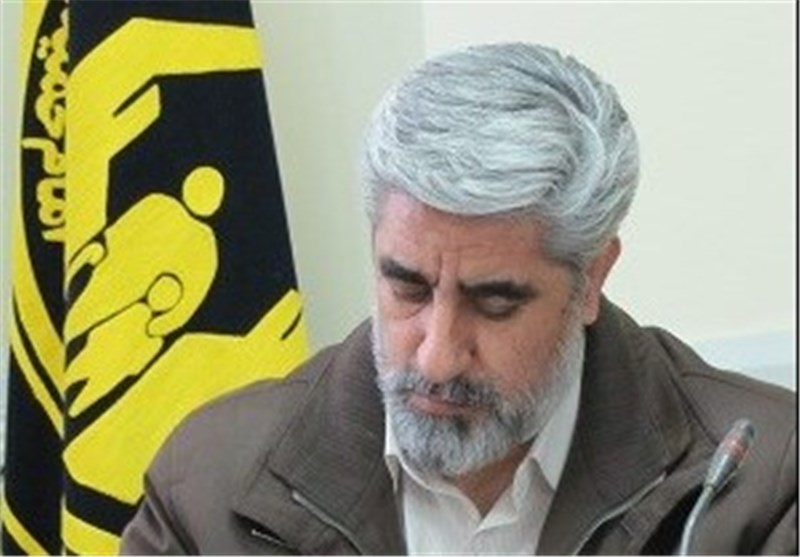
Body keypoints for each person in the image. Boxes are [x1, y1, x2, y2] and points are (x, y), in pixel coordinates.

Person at [120, 43, 796, 555]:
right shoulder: (211, 482)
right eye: (407, 286)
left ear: (591, 278)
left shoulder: (763, 485)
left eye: (495, 302)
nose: (437, 356)